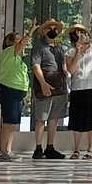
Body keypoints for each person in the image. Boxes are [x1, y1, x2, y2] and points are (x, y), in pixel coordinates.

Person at [63, 22, 92, 159]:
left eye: (81, 33)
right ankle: (76, 149)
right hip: (78, 87)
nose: (80, 36)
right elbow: (71, 70)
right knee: (78, 120)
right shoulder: (70, 52)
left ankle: (90, 149)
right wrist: (78, 52)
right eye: (76, 34)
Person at [28, 19, 68, 160]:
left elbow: (64, 67)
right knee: (41, 118)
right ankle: (38, 147)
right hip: (44, 86)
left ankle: (50, 146)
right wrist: (43, 83)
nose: (52, 30)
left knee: (54, 118)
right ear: (43, 32)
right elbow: (36, 66)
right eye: (49, 28)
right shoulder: (39, 47)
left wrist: (66, 79)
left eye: (54, 28)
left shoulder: (59, 49)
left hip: (60, 86)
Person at [0, 28, 30, 160]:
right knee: (8, 123)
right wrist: (30, 32)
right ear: (11, 43)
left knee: (13, 123)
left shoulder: (18, 60)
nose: (22, 43)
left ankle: (8, 150)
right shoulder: (8, 52)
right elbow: (20, 46)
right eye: (18, 40)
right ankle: (3, 151)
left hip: (18, 93)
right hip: (9, 91)